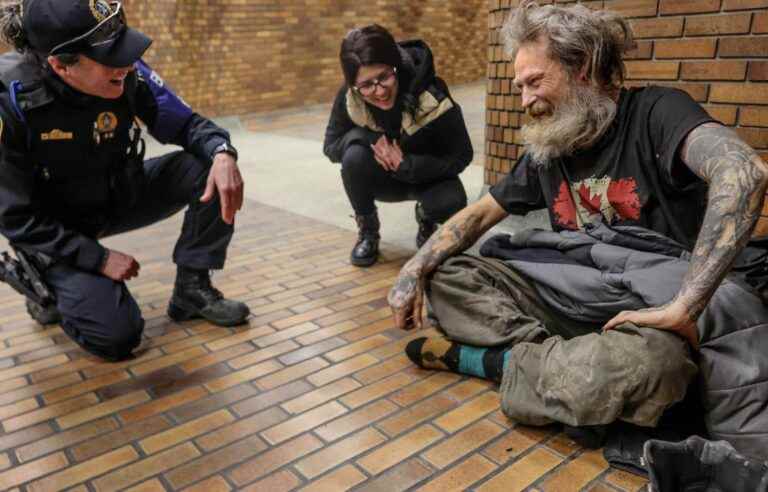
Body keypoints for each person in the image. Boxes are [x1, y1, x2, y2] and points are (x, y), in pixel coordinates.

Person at [388, 1, 768, 449]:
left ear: (583, 67)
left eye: (534, 82)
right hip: (573, 299)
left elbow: (743, 173)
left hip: (650, 314)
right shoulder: (551, 148)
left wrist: (685, 307)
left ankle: (495, 363)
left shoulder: (656, 112)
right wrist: (413, 270)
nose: (525, 101)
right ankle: (561, 371)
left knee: (654, 368)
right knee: (447, 276)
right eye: (519, 86)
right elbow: (476, 217)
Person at [0, 0, 250, 361]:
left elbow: (187, 125)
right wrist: (98, 258)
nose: (129, 63)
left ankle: (191, 290)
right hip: (52, 228)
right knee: (118, 337)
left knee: (203, 166)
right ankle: (43, 284)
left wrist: (223, 152)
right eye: (112, 57)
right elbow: (14, 218)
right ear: (61, 65)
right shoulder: (10, 101)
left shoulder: (125, 72)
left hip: (113, 195)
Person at [323, 24, 473, 267]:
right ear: (354, 85)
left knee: (451, 201)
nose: (379, 91)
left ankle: (426, 218)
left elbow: (462, 154)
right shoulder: (350, 97)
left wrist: (408, 164)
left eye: (384, 77)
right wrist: (371, 141)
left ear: (395, 66)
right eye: (367, 85)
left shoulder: (430, 94)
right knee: (353, 158)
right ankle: (368, 233)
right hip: (385, 180)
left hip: (426, 177)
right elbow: (330, 146)